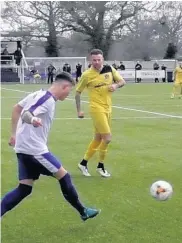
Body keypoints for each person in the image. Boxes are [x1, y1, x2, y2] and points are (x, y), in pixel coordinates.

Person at [1, 72, 100, 221]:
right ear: (64, 86)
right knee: (64, 176)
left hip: (23, 148)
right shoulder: (47, 100)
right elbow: (26, 114)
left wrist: (13, 134)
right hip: (34, 150)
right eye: (69, 90)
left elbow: (16, 108)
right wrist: (33, 119)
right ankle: (83, 211)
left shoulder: (38, 94)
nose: (68, 94)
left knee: (25, 188)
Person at [75, 49, 125, 178]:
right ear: (90, 60)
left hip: (108, 108)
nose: (96, 62)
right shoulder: (86, 75)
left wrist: (115, 86)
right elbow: (77, 92)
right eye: (94, 60)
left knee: (98, 138)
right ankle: (100, 166)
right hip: (96, 108)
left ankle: (83, 163)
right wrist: (79, 110)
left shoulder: (109, 69)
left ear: (103, 59)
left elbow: (122, 82)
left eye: (99, 60)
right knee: (107, 138)